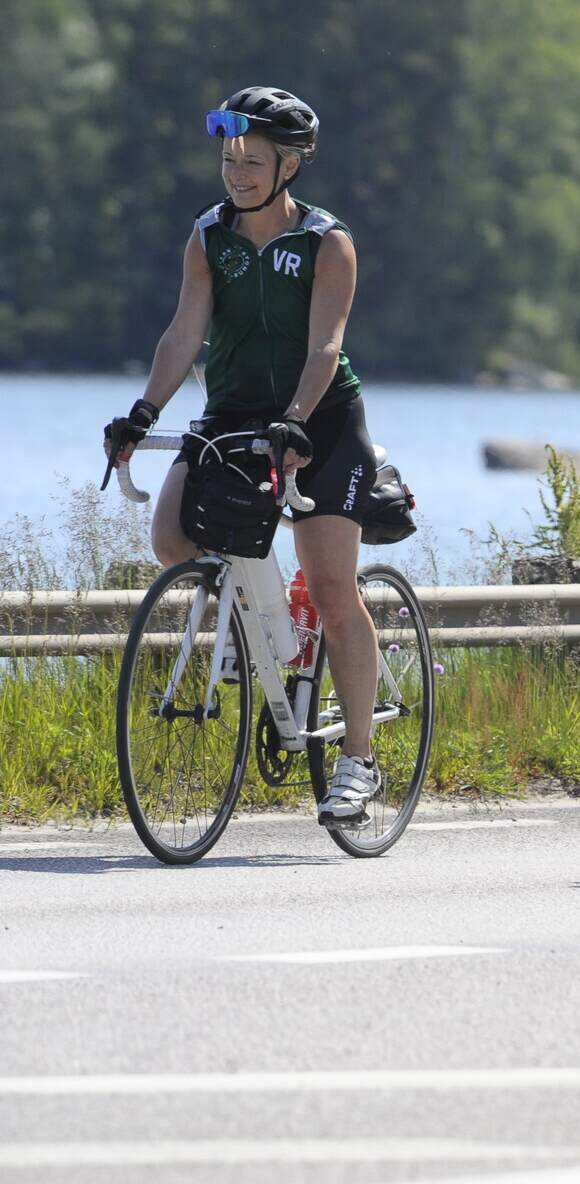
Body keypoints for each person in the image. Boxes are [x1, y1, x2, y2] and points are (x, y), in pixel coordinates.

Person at [102, 87, 383, 825]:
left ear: (290, 166)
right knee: (171, 538)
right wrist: (142, 413)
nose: (236, 174)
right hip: (231, 414)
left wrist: (294, 421)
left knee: (333, 587)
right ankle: (252, 627)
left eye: (253, 163)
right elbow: (182, 334)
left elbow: (325, 346)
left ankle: (357, 761)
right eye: (230, 160)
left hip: (321, 419)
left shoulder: (327, 242)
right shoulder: (208, 236)